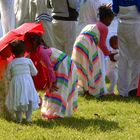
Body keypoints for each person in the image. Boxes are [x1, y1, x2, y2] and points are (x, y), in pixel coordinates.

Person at [24, 32, 78, 119]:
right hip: (60, 66)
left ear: (33, 43)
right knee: (52, 90)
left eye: (26, 44)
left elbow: (49, 67)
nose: (25, 47)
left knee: (59, 89)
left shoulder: (41, 52)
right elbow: (47, 67)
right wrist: (49, 81)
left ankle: (58, 113)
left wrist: (53, 81)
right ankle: (53, 111)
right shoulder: (38, 51)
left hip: (63, 66)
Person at [71, 5, 115, 97]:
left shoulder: (92, 24)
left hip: (78, 44)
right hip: (87, 44)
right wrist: (109, 54)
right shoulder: (104, 28)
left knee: (82, 67)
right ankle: (95, 90)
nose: (110, 22)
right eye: (110, 20)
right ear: (106, 18)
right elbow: (102, 44)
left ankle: (84, 88)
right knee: (93, 67)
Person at [5, 40, 39, 123]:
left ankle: (19, 119)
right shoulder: (28, 61)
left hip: (16, 83)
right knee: (30, 99)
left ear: (13, 53)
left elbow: (8, 76)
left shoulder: (11, 63)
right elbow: (35, 72)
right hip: (27, 82)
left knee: (17, 99)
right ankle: (29, 118)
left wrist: (13, 77)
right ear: (24, 51)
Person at [112, 0, 140, 97]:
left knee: (123, 58)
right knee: (137, 58)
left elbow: (114, 9)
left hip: (122, 25)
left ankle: (123, 89)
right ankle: (134, 87)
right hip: (136, 24)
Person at [0, 47, 11, 118]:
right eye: (9, 51)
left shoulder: (8, 61)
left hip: (6, 82)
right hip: (1, 82)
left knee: (6, 97)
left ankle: (6, 112)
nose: (10, 52)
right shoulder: (1, 61)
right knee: (2, 97)